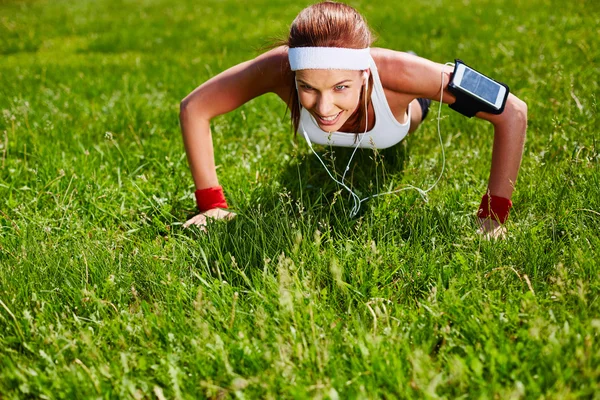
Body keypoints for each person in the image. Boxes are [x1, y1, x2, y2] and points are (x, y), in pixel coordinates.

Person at [179, 1, 527, 238]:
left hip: (405, 101)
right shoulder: (280, 68)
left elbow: (513, 111)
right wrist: (211, 205)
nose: (325, 107)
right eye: (308, 88)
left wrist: (493, 217)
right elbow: (194, 107)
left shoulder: (397, 74)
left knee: (410, 78)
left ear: (364, 74)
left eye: (340, 87)